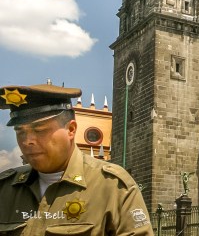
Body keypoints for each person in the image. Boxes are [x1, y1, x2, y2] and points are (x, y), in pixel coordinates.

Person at [0, 82, 152, 235]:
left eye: (39, 130)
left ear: (71, 130)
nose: (27, 141)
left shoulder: (112, 188)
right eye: (20, 132)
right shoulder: (5, 189)